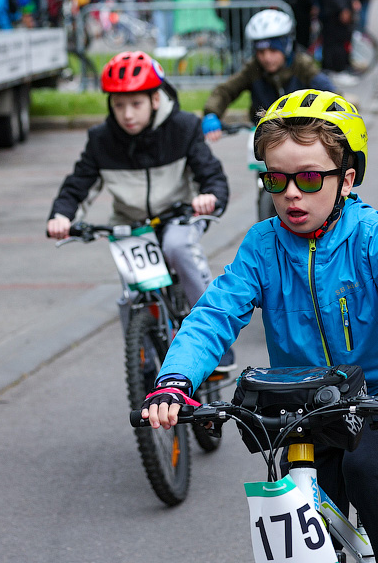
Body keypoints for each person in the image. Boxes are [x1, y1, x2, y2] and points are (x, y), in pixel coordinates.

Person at [141, 89, 378, 563]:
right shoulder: (261, 246)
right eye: (276, 179)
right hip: (304, 404)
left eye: (309, 178)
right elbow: (214, 314)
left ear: (346, 180)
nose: (290, 193)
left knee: (366, 472)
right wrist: (174, 380)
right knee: (300, 502)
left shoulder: (372, 234)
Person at [46, 51, 236, 374]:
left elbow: (212, 175)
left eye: (136, 104)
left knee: (178, 247)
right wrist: (62, 216)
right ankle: (143, 363)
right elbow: (78, 185)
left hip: (179, 215)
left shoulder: (184, 127)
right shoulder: (101, 140)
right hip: (130, 225)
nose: (127, 114)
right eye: (118, 105)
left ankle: (213, 338)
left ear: (155, 99)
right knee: (132, 293)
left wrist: (209, 197)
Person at [201, 9, 337, 139]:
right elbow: (225, 90)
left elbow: (330, 95)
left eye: (273, 50)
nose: (266, 58)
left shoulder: (302, 66)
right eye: (261, 52)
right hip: (263, 135)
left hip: (301, 134)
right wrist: (211, 114)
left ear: (286, 47)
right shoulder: (253, 68)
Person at [317, 0, 359, 72]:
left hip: (336, 12)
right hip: (333, 14)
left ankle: (339, 67)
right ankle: (336, 69)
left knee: (338, 42)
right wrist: (343, 8)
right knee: (334, 43)